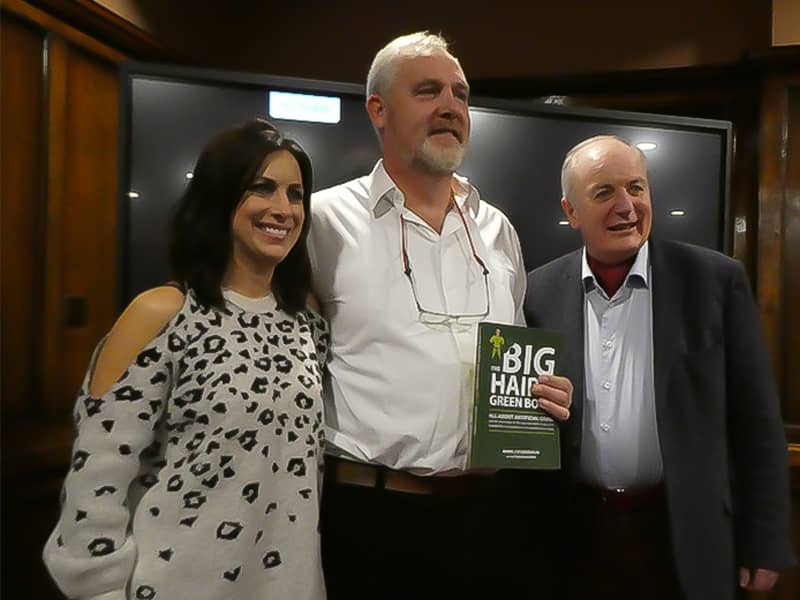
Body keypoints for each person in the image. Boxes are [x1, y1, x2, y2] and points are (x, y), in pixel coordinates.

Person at [307, 32, 572, 599]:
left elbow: (514, 359)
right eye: (428, 91)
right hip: (371, 519)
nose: (451, 107)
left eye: (460, 94)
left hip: (491, 519)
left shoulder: (498, 229)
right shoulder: (321, 221)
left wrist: (544, 396)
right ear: (378, 109)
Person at [43, 119, 329, 600]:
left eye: (295, 194)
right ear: (219, 198)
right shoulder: (161, 314)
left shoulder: (307, 326)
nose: (283, 209)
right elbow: (97, 478)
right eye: (261, 189)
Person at [524, 134, 795, 599]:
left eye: (636, 188)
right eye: (604, 192)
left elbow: (757, 421)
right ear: (571, 212)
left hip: (682, 535)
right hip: (573, 538)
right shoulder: (535, 292)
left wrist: (766, 541)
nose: (627, 205)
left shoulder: (714, 281)